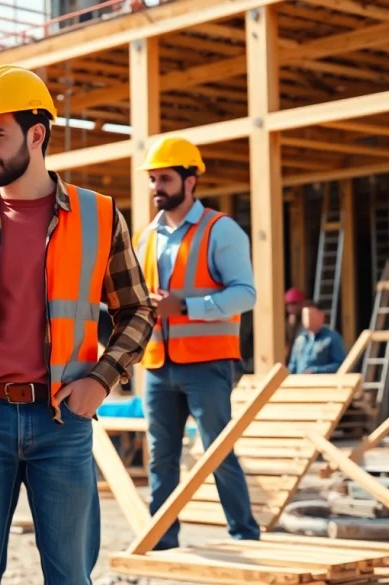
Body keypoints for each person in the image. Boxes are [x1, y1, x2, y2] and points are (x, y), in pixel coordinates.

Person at [0, 64, 156, 585]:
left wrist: (101, 379)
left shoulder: (98, 215)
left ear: (37, 134)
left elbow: (137, 309)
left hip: (62, 422)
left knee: (70, 575)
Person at [133, 135, 260, 550]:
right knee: (161, 459)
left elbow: (246, 294)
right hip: (157, 364)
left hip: (208, 364)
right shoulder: (145, 237)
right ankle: (162, 540)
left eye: (165, 178)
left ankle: (244, 535)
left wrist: (185, 307)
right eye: (153, 179)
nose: (156, 187)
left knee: (218, 453)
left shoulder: (220, 230)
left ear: (191, 181)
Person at [288, 302, 347, 374]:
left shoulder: (332, 337)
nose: (307, 319)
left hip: (321, 383)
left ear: (321, 316)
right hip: (299, 383)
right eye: (305, 316)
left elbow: (340, 365)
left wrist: (315, 370)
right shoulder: (300, 339)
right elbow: (293, 365)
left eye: (310, 315)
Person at [284, 287, 308, 361]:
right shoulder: (286, 322)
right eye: (288, 304)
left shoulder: (308, 319)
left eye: (294, 304)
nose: (291, 307)